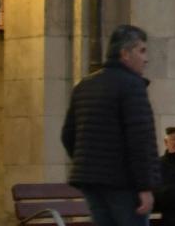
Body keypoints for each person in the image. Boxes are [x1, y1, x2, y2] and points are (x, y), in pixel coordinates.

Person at [61, 25, 160, 226]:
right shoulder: (132, 85)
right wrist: (145, 187)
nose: (146, 58)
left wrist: (91, 163)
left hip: (92, 182)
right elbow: (140, 140)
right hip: (124, 183)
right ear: (125, 54)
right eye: (141, 51)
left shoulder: (84, 86)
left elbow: (68, 135)